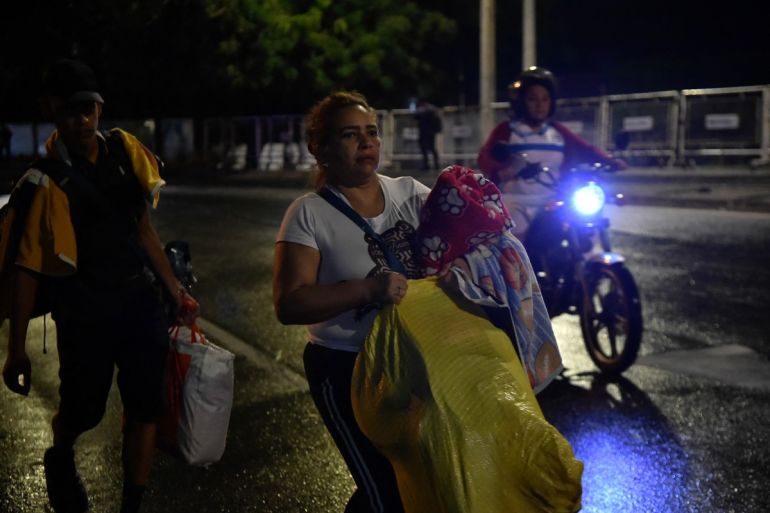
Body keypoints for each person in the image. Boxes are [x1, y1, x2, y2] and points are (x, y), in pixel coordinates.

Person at [1, 58, 199, 513]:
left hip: (138, 303)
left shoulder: (124, 150)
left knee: (146, 407)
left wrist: (174, 290)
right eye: (70, 110)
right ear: (51, 110)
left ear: (99, 108)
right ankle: (61, 450)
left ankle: (134, 502)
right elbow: (27, 268)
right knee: (84, 410)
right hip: (85, 312)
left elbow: (143, 230)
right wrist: (16, 349)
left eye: (89, 108)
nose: (82, 120)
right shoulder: (44, 180)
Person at [273, 90, 431, 513]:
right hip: (346, 368)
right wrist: (368, 290)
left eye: (372, 133)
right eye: (350, 135)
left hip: (414, 361)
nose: (367, 144)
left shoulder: (411, 193)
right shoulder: (308, 214)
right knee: (384, 489)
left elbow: (462, 233)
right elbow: (289, 304)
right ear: (320, 149)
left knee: (420, 479)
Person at [477, 66, 626, 238]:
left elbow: (585, 149)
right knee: (515, 251)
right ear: (521, 102)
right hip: (516, 202)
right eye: (532, 99)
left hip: (552, 201)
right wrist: (501, 171)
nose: (540, 105)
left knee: (583, 234)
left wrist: (610, 161)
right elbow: (485, 158)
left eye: (545, 99)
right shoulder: (507, 130)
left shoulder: (557, 132)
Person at [414, 100, 441, 171]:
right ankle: (435, 164)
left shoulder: (423, 110)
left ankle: (427, 165)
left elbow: (416, 116)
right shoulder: (433, 109)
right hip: (430, 132)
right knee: (431, 148)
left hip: (424, 131)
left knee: (425, 148)